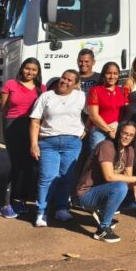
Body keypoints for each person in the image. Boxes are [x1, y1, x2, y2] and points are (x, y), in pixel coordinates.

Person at [74, 121, 136, 242]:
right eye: (125, 133)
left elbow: (127, 176)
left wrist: (134, 185)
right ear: (118, 132)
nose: (127, 137)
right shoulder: (106, 146)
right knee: (120, 187)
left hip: (106, 190)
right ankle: (103, 229)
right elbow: (109, 176)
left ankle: (104, 211)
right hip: (86, 194)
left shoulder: (129, 150)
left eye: (131, 135)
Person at [29, 70, 85, 227]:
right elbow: (35, 121)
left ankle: (61, 209)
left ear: (75, 84)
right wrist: (34, 144)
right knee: (47, 177)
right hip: (48, 142)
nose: (64, 81)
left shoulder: (81, 96)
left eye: (69, 80)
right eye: (63, 78)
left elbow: (92, 114)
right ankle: (41, 212)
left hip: (72, 142)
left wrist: (86, 129)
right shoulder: (46, 96)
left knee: (66, 177)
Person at [0, 58, 45, 219]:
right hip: (14, 128)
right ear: (22, 69)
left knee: (29, 166)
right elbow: (4, 110)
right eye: (27, 68)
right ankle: (6, 204)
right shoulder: (10, 84)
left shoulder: (41, 89)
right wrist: (12, 123)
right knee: (16, 165)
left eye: (34, 70)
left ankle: (21, 201)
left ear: (38, 72)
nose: (30, 72)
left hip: (32, 128)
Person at [86, 61, 129, 151]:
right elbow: (93, 115)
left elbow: (125, 112)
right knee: (99, 160)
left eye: (115, 73)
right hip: (99, 131)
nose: (112, 76)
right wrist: (109, 130)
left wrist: (120, 130)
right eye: (109, 73)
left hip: (117, 131)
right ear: (103, 74)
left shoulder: (121, 91)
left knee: (116, 160)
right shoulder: (95, 91)